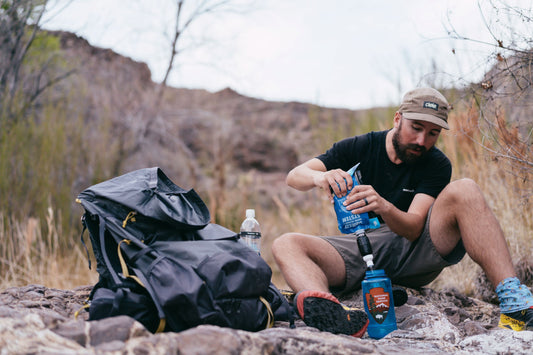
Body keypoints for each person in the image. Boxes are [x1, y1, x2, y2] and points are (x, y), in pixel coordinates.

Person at [272, 87, 533, 337]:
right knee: (286, 244)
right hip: (362, 248)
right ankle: (335, 314)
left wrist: (383, 205)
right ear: (398, 118)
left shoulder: (436, 163)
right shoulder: (360, 147)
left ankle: (515, 302)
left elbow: (413, 227)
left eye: (433, 133)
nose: (422, 141)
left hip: (415, 250)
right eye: (416, 128)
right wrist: (322, 177)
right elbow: (295, 176)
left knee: (465, 190)